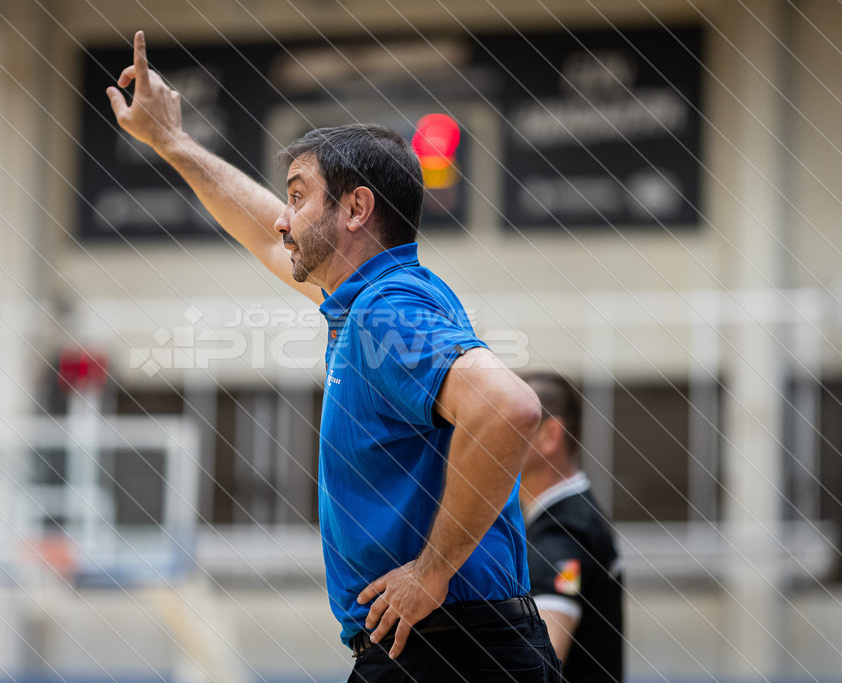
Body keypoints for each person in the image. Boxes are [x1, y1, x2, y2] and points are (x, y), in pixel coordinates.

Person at [107, 31, 561, 681]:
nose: (283, 218)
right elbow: (264, 233)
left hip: (451, 648)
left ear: (356, 208)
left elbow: (511, 407)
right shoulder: (369, 299)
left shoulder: (386, 308)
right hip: (439, 643)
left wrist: (431, 573)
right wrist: (173, 143)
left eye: (297, 196)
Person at [519, 372, 625, 682]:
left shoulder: (563, 532)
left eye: (507, 422)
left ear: (550, 435)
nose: (489, 435)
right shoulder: (576, 515)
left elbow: (539, 668)